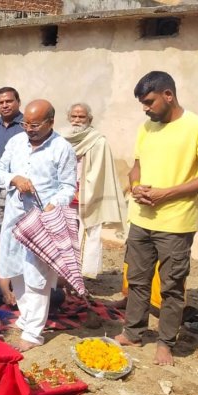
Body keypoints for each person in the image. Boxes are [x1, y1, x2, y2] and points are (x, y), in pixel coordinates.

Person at [115, 71, 198, 366]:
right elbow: (136, 168)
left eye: (149, 102)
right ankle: (133, 332)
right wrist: (136, 188)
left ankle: (164, 343)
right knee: (137, 280)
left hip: (176, 223)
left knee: (171, 286)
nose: (146, 109)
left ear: (168, 95)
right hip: (141, 219)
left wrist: (167, 194)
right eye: (142, 104)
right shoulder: (146, 128)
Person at [0, 99, 76, 351]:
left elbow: (69, 187)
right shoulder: (15, 142)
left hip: (43, 221)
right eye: (25, 123)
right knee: (15, 269)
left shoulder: (62, 148)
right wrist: (14, 178)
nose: (28, 128)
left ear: (51, 122)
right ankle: (28, 317)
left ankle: (33, 333)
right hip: (15, 217)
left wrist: (54, 204)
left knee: (38, 276)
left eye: (35, 124)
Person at [60, 103, 127, 278]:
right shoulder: (60, 138)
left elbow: (98, 173)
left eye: (81, 117)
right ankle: (62, 277)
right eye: (73, 116)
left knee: (85, 236)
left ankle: (80, 279)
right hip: (62, 195)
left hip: (86, 195)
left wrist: (80, 190)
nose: (76, 120)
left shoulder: (98, 142)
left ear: (89, 119)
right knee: (62, 235)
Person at [0, 87, 25, 242]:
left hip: (22, 187)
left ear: (18, 102)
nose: (5, 105)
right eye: (0, 102)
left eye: (9, 101)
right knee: (1, 230)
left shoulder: (27, 125)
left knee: (23, 231)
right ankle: (3, 266)